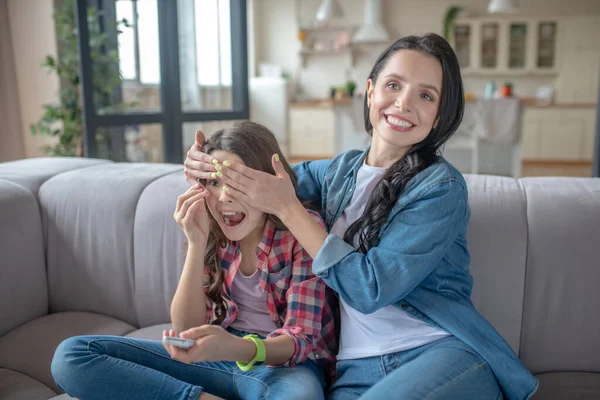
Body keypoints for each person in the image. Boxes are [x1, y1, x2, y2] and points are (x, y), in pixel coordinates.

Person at [183, 34, 539, 400]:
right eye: (393, 85)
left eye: (426, 95)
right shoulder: (338, 173)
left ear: (439, 116)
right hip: (354, 369)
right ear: (370, 92)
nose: (403, 103)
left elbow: (370, 289)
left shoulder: (441, 189)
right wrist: (205, 168)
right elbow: (263, 181)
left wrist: (288, 208)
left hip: (439, 353)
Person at [51, 122, 337, 400]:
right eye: (214, 182)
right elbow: (185, 332)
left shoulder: (300, 230)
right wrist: (196, 243)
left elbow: (301, 338)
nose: (224, 197)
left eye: (238, 182)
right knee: (71, 356)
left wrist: (237, 347)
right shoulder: (210, 229)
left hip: (284, 367)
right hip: (214, 360)